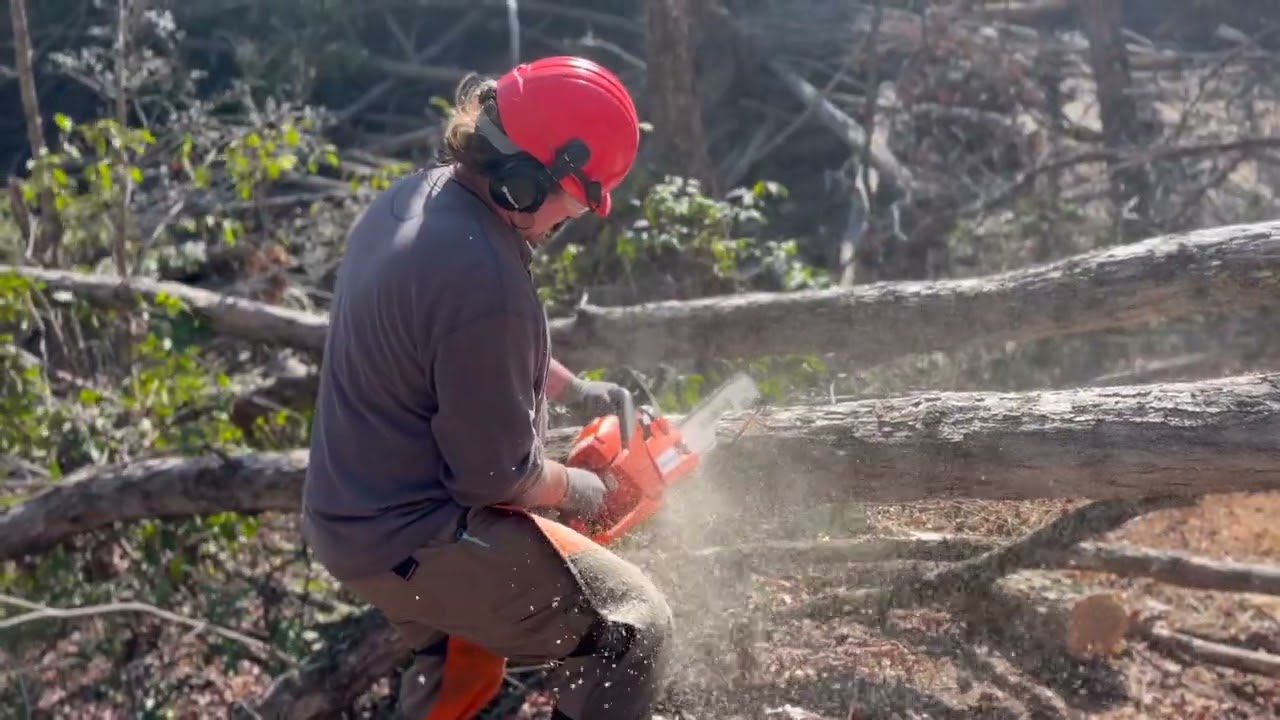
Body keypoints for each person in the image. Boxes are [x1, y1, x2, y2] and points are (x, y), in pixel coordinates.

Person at [299, 55, 674, 720]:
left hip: (346, 518)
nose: (571, 220)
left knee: (461, 659)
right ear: (529, 181)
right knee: (634, 627)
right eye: (575, 200)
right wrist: (587, 489)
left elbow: (451, 339)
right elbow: (497, 480)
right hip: (416, 535)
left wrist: (572, 389)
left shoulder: (411, 201)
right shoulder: (486, 277)